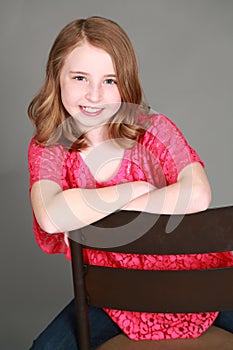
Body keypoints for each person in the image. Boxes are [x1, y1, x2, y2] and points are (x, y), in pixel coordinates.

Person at [27, 16, 233, 349]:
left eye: (110, 80)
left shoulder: (152, 129)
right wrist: (135, 190)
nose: (95, 95)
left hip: (195, 281)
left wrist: (87, 212)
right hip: (113, 295)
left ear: (125, 84)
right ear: (57, 78)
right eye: (80, 77)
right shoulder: (50, 147)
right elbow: (50, 217)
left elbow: (197, 195)